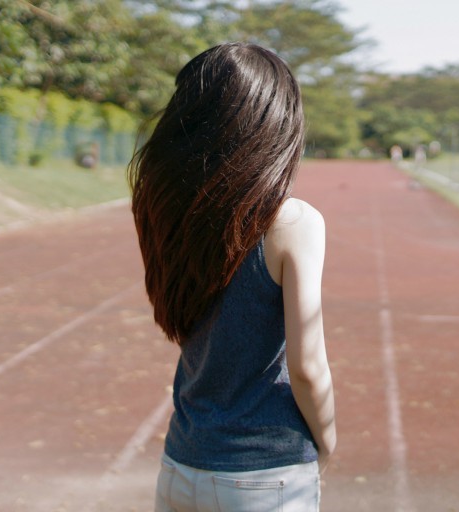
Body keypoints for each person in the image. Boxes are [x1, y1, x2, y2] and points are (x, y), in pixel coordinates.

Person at [128, 42, 336, 511]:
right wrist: (327, 442)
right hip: (266, 473)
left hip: (180, 466)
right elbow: (307, 368)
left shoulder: (166, 208)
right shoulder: (291, 221)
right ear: (275, 124)